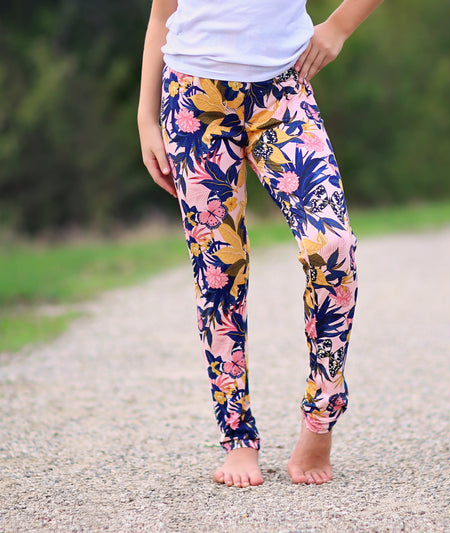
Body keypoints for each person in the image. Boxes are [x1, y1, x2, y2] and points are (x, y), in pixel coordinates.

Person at [138, 0, 383, 488]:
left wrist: (338, 26)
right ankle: (237, 438)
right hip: (193, 100)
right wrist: (145, 118)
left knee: (332, 244)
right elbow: (163, 12)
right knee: (218, 271)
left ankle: (320, 418)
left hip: (281, 96)